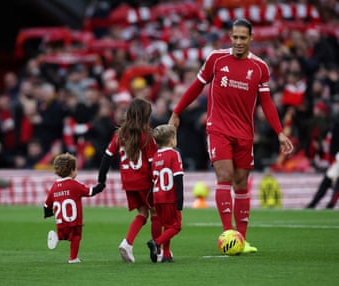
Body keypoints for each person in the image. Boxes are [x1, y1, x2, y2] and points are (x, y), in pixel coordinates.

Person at [168, 18, 294, 253]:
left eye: (242, 38)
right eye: (234, 37)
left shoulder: (260, 68)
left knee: (241, 183)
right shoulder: (216, 59)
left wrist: (279, 133)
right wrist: (176, 112)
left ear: (251, 38)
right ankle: (228, 234)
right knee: (224, 175)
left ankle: (242, 240)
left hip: (245, 133)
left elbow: (266, 102)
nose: (237, 42)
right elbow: (196, 86)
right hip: (218, 128)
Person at [97, 97, 161, 263]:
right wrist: (158, 182)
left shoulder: (119, 135)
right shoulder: (147, 136)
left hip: (128, 182)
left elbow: (107, 157)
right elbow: (153, 162)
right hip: (145, 182)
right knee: (155, 213)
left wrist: (101, 180)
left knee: (142, 213)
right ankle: (159, 250)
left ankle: (127, 243)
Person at [43, 153, 105, 263]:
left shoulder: (54, 186)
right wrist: (100, 186)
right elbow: (90, 192)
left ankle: (58, 236)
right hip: (74, 221)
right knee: (76, 237)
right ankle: (73, 258)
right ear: (72, 169)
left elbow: (47, 204)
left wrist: (47, 213)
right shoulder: (74, 184)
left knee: (64, 234)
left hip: (60, 222)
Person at [147, 124, 184, 263]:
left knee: (167, 226)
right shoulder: (175, 154)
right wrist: (180, 200)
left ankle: (166, 254)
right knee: (176, 226)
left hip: (157, 197)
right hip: (170, 197)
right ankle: (156, 243)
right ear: (171, 140)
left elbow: (153, 178)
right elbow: (178, 177)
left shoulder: (156, 156)